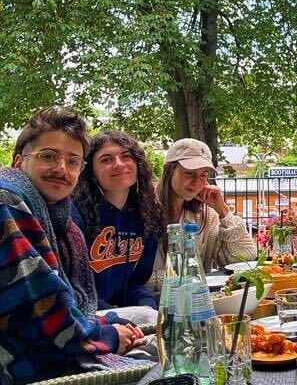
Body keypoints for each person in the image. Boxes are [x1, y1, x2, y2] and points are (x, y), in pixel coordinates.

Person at [0, 107, 142, 384]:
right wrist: (110, 336)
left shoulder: (64, 223)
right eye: (48, 156)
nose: (61, 169)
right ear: (19, 162)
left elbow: (71, 307)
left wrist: (108, 326)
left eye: (73, 161)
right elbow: (40, 311)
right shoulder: (7, 201)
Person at [147, 138, 256, 291]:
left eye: (203, 175)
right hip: (150, 308)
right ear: (169, 170)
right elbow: (134, 278)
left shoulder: (206, 215)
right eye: (189, 173)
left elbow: (244, 258)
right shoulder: (143, 210)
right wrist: (187, 277)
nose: (197, 182)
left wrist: (223, 211)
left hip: (197, 304)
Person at [73, 131, 164, 311]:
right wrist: (115, 316)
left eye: (126, 156)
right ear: (91, 171)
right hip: (85, 316)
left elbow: (134, 282)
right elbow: (73, 289)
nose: (119, 164)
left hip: (123, 317)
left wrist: (145, 304)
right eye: (106, 160)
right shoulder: (75, 214)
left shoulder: (148, 215)